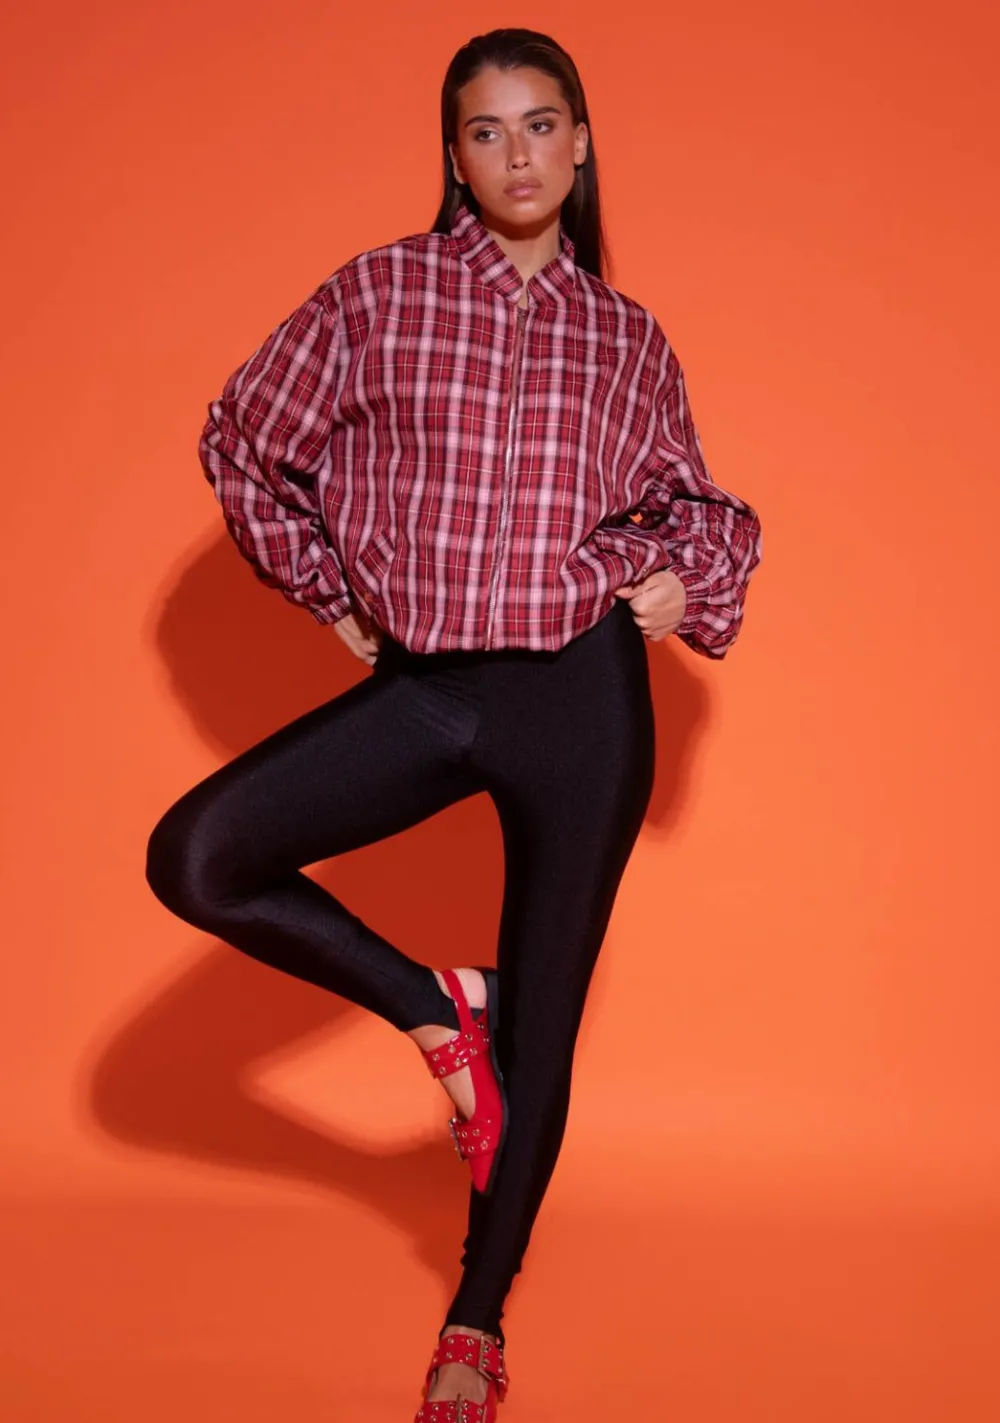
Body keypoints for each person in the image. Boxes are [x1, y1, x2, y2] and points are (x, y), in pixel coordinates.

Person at [145, 26, 762, 1423]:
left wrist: (684, 581)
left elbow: (707, 510)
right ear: (454, 157)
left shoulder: (627, 337)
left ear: (582, 144)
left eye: (542, 126)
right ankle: (439, 1009)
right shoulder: (380, 292)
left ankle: (475, 1322)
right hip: (429, 686)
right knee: (200, 855)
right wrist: (332, 596)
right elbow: (244, 438)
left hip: (583, 699)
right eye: (487, 132)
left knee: (546, 1032)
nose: (518, 155)